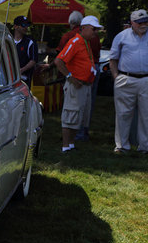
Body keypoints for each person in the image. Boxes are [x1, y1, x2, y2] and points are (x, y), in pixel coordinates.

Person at [53, 15, 103, 153]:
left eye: (97, 30)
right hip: (76, 85)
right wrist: (71, 78)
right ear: (84, 28)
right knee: (70, 115)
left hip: (85, 85)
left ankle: (71, 145)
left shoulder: (85, 42)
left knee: (80, 116)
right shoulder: (75, 42)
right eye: (94, 29)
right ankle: (65, 146)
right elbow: (59, 61)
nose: (95, 32)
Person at [109, 9, 148, 154]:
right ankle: (121, 146)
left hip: (146, 79)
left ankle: (145, 147)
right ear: (132, 23)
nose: (143, 24)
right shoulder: (121, 36)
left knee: (146, 114)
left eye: (145, 21)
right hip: (126, 79)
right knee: (123, 114)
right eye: (140, 22)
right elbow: (113, 59)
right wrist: (116, 77)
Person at [12, 16, 38, 84]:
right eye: (23, 25)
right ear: (15, 26)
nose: (26, 27)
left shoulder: (30, 41)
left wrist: (21, 70)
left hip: (24, 80)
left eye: (27, 25)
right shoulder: (8, 40)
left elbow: (33, 60)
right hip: (8, 78)